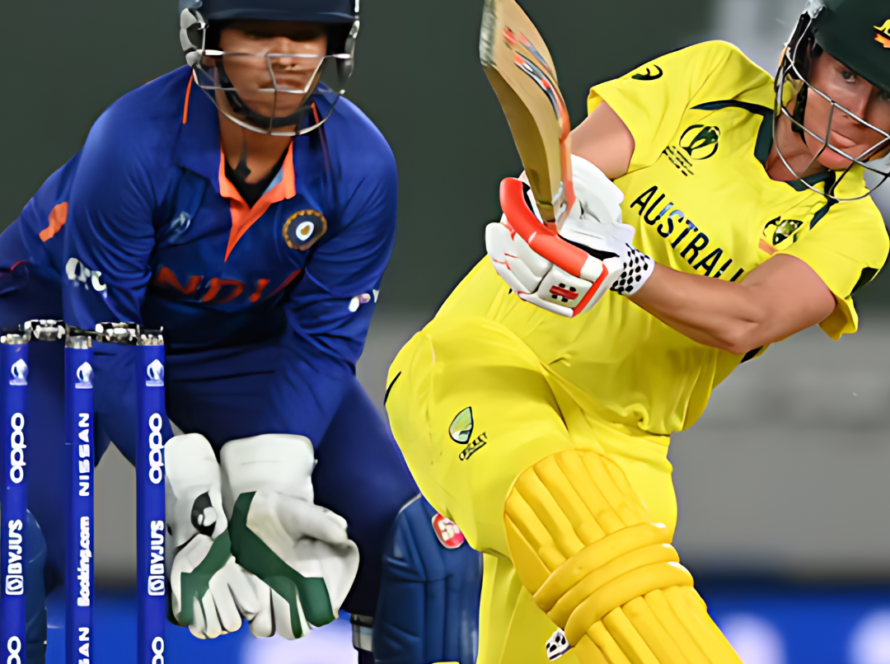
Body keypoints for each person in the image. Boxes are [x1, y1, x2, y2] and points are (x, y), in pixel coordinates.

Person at [384, 0, 890, 662]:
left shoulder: (853, 229)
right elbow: (580, 169)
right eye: (849, 77)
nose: (862, 115)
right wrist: (560, 216)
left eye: (888, 98)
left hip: (628, 443)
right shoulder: (713, 77)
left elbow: (750, 318)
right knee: (578, 520)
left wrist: (621, 270)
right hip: (485, 361)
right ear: (807, 54)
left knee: (607, 559)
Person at [0, 1, 480, 662]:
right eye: (256, 32)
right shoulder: (134, 139)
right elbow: (107, 334)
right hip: (59, 331)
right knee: (10, 551)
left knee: (425, 556)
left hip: (237, 346)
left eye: (305, 35)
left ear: (335, 44)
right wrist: (179, 475)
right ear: (207, 37)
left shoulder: (361, 164)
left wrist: (274, 471)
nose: (283, 56)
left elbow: (324, 339)